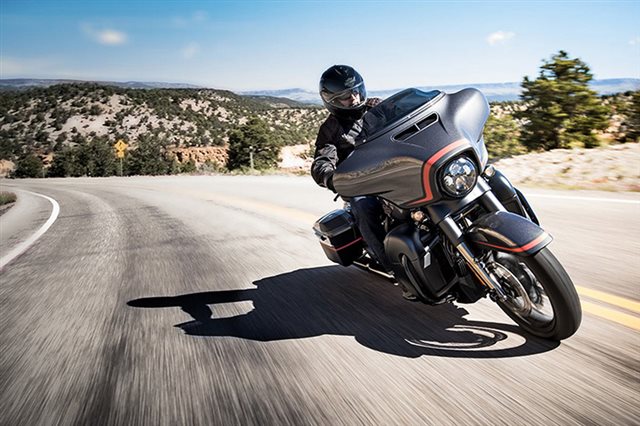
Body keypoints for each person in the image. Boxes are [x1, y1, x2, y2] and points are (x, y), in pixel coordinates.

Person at [311, 65, 416, 301]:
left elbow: (410, 118)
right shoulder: (330, 129)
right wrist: (329, 176)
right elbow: (322, 160)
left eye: (357, 91)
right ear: (331, 100)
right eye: (346, 96)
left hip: (396, 169)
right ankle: (397, 271)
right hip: (361, 183)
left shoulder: (379, 107)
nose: (355, 98)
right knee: (363, 205)